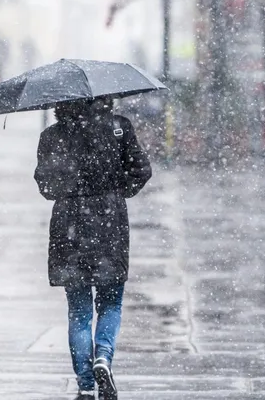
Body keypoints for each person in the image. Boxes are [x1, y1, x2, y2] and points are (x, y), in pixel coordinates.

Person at [35, 98, 152, 400]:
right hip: (109, 224)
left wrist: (71, 190)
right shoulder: (118, 128)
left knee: (79, 311)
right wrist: (115, 191)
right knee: (111, 303)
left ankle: (86, 383)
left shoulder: (52, 136)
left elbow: (45, 186)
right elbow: (141, 170)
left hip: (68, 227)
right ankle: (103, 356)